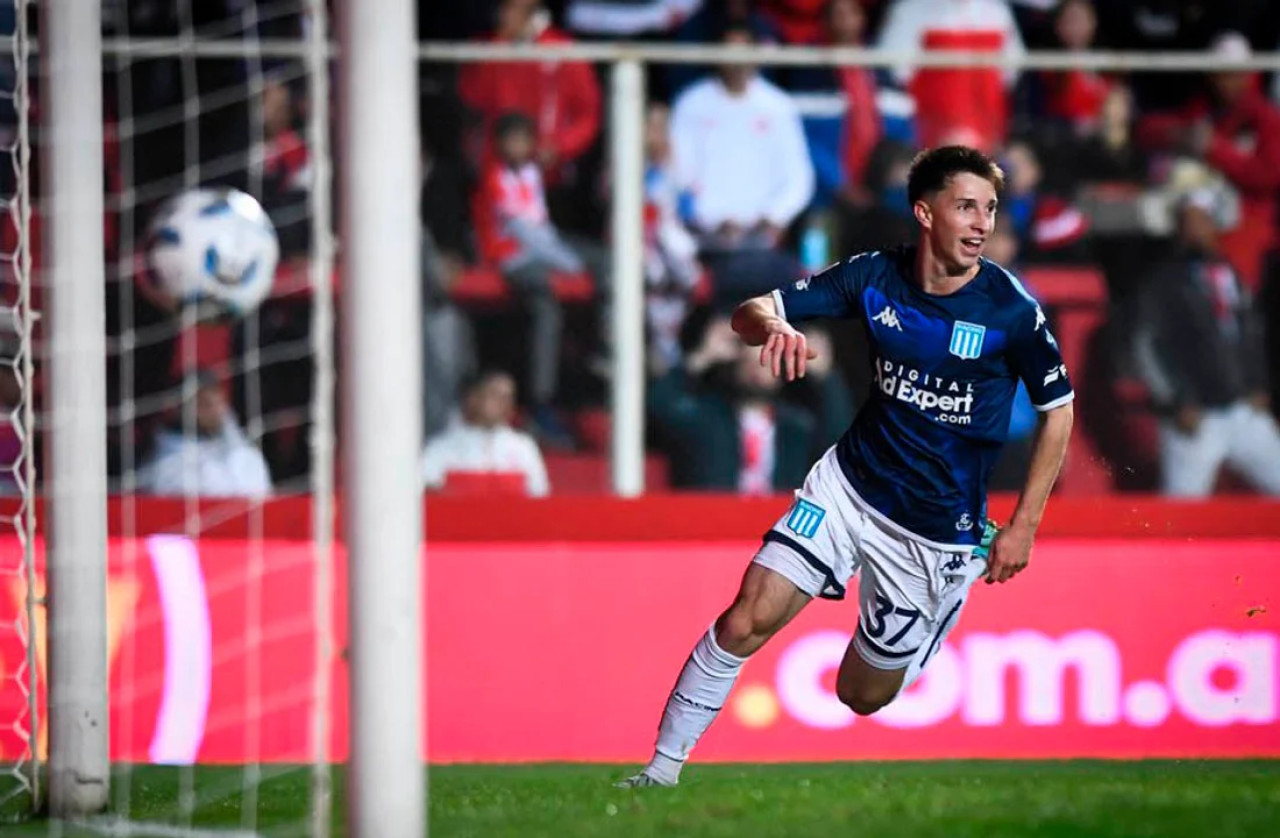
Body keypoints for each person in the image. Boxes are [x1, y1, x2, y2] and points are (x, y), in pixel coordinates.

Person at [617, 146, 1075, 788]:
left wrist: (1024, 523)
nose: (982, 223)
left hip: (935, 529)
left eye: (990, 209)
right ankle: (657, 776)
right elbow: (750, 309)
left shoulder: (1010, 310)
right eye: (966, 205)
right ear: (924, 211)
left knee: (860, 695)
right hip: (850, 485)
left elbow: (1059, 409)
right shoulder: (873, 275)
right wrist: (774, 324)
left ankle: (944, 596)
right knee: (744, 617)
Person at [1132, 190, 1280, 497]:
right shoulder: (1162, 283)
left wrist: (1259, 385)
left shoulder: (1231, 275)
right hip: (1196, 415)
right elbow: (1146, 346)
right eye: (1189, 222)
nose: (1196, 229)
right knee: (1182, 508)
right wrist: (1176, 400)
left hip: (1243, 407)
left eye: (1204, 221)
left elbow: (1250, 335)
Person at [139, 370, 273, 499]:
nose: (215, 411)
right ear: (180, 408)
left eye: (218, 402)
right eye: (204, 404)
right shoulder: (164, 466)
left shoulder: (247, 456)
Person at [421, 370, 551, 498]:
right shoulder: (441, 448)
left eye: (508, 397)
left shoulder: (524, 446)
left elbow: (538, 495)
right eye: (495, 395)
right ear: (473, 399)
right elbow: (425, 490)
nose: (503, 403)